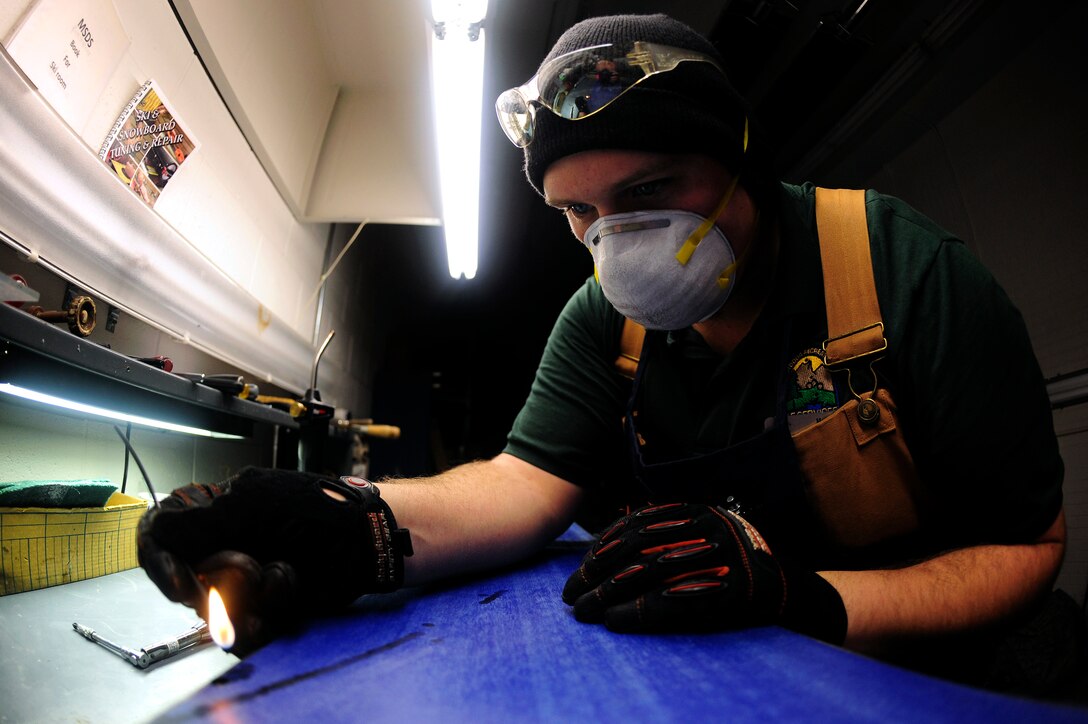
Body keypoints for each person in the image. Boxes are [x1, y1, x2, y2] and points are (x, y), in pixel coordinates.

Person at [137, 14, 1078, 695]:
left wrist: (806, 599)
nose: (614, 239)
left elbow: (1028, 550)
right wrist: (348, 523)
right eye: (578, 214)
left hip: (934, 664)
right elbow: (518, 487)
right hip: (750, 672)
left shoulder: (899, 270)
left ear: (740, 157)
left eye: (652, 187)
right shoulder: (600, 324)